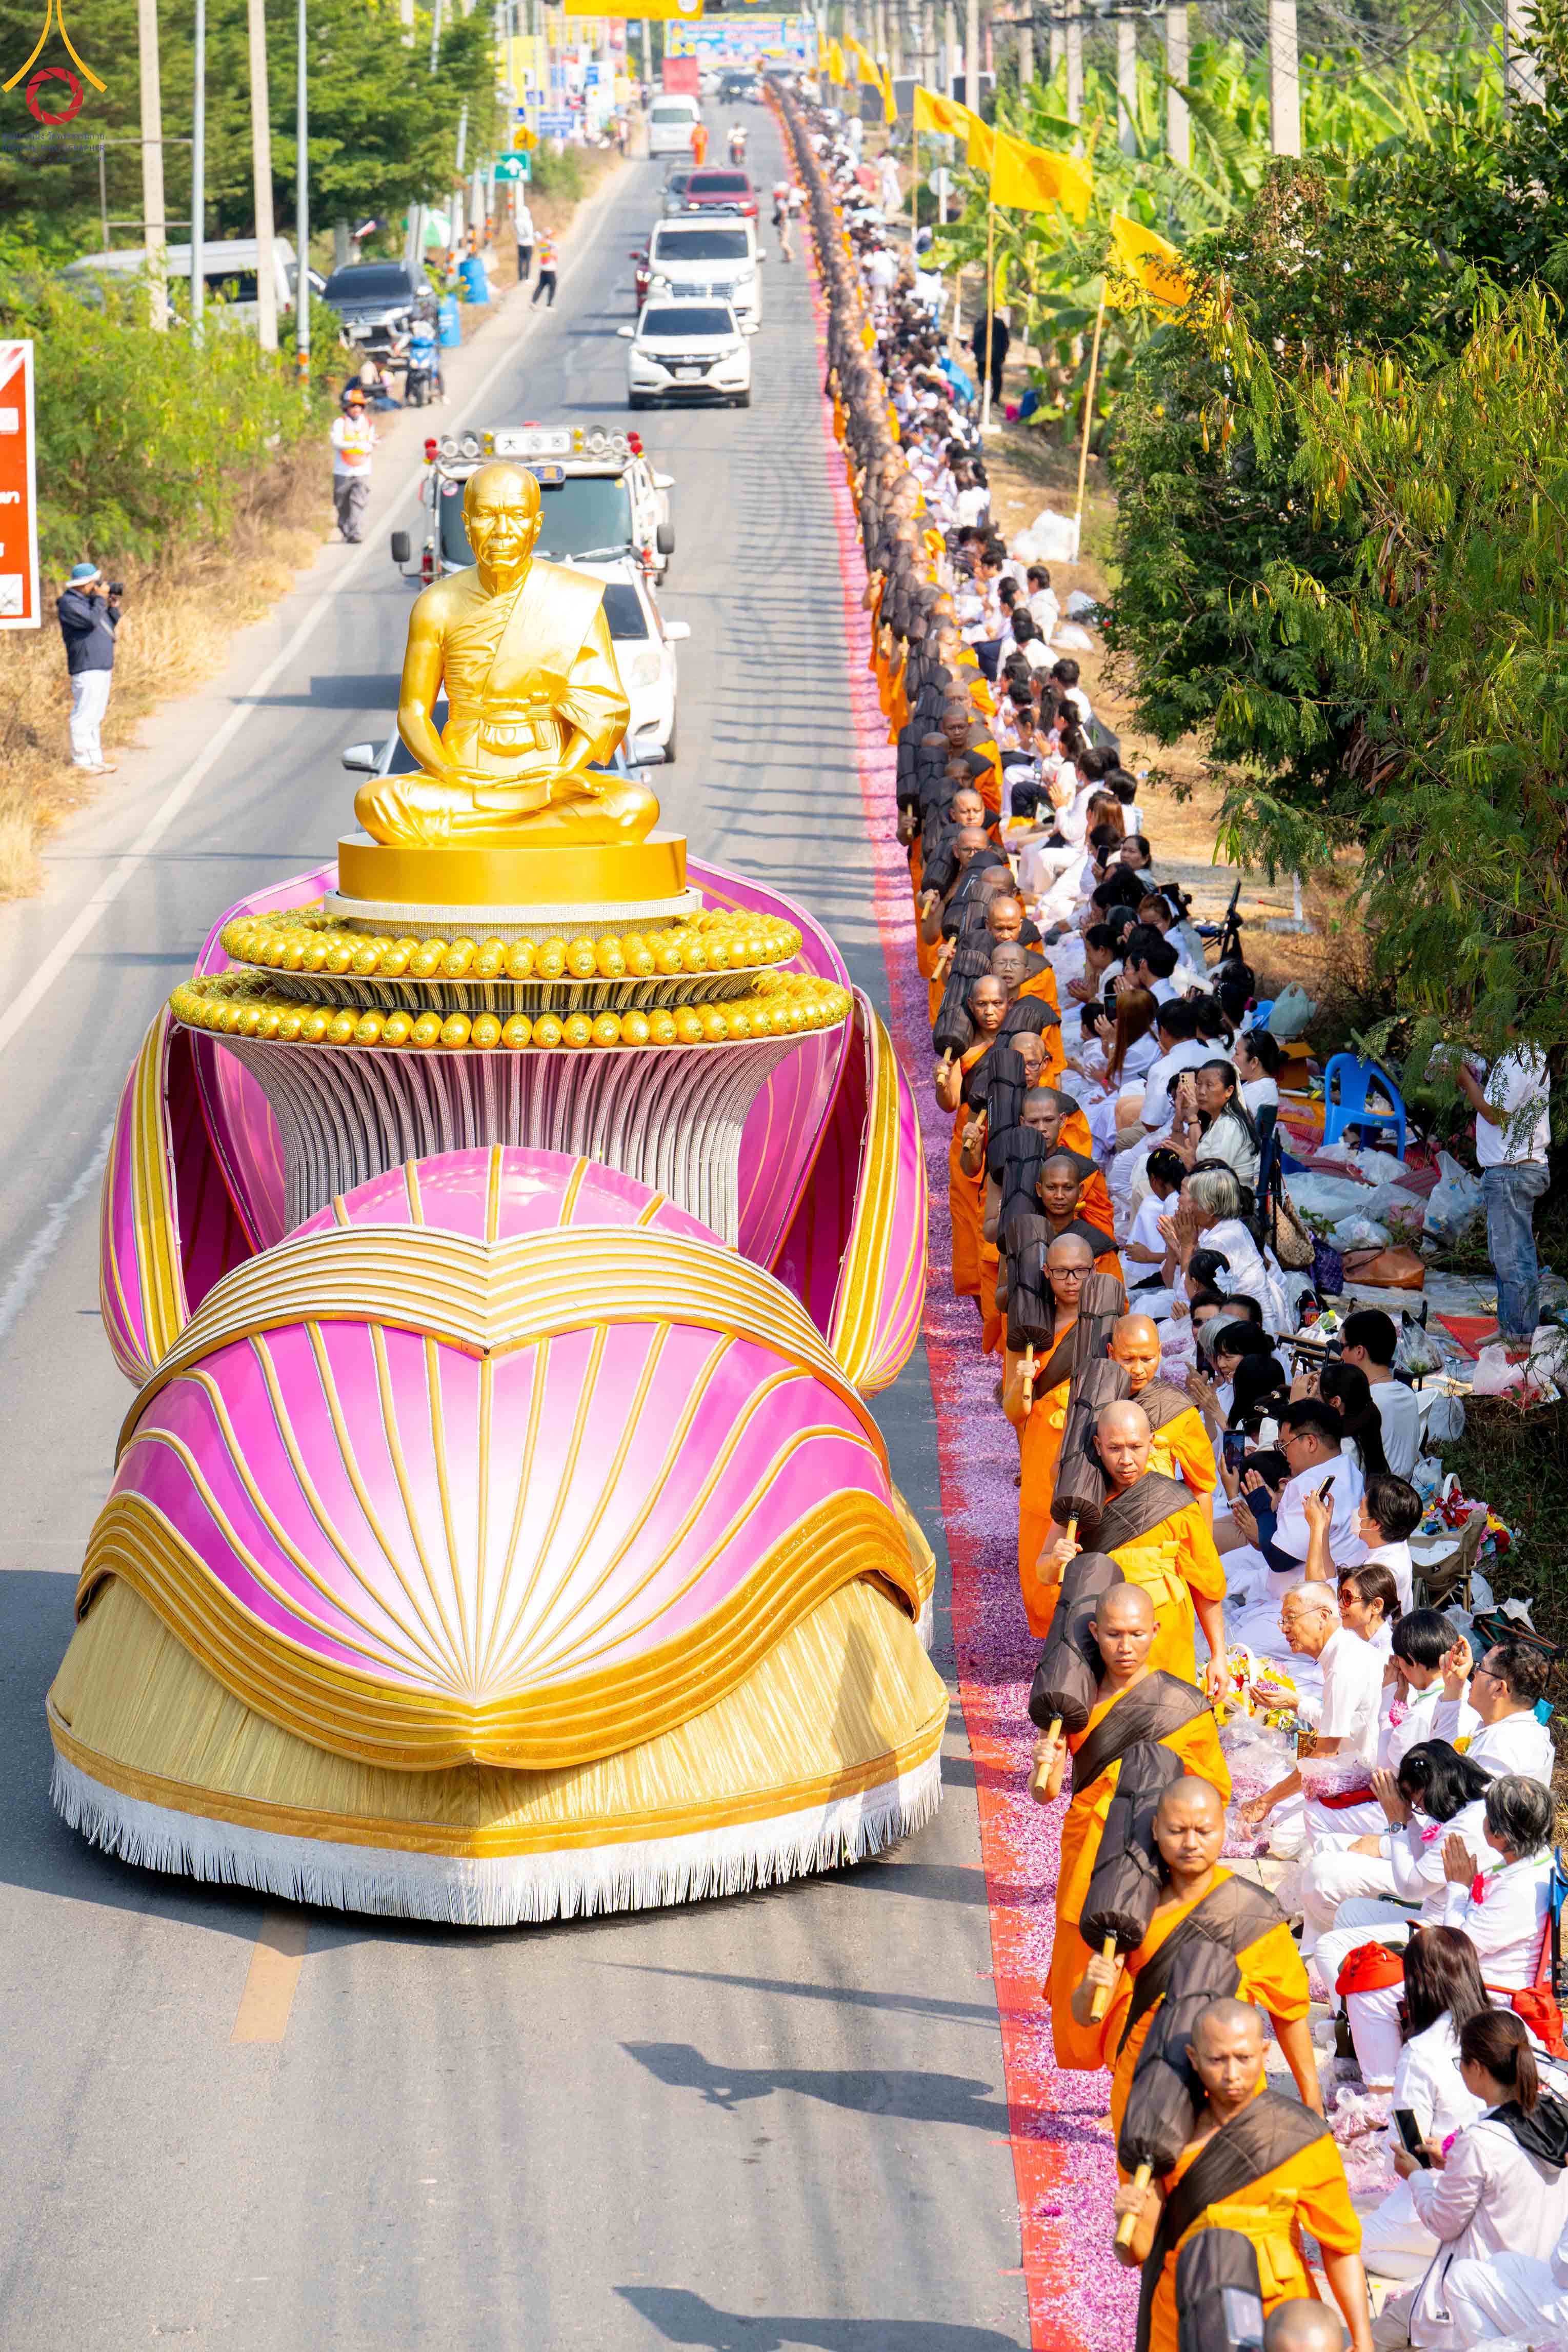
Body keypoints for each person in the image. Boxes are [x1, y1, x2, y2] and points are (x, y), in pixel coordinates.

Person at [1035, 1581, 1231, 2069]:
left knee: (1144, 1975)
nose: (1126, 1647)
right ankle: (1102, 2062)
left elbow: (1214, 1796)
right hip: (1088, 1853)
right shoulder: (1074, 1701)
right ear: (1095, 1632)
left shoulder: (1181, 1707)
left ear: (1155, 1632)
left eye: (1137, 1634)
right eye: (1115, 1634)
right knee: (1087, 1966)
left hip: (1153, 1854)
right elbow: (1046, 1791)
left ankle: (1126, 2087)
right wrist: (1048, 1762)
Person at [1112, 1998, 1371, 2352]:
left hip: (1279, 2317)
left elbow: (1340, 2244)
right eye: (1217, 2059)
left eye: (1244, 2057)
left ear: (1264, 2051)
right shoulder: (1168, 2136)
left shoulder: (1300, 2135)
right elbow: (1135, 2251)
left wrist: (1362, 2337)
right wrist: (1128, 2215)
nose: (1231, 2073)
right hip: (1187, 2312)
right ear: (1194, 2057)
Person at [1075, 1776, 1320, 2133]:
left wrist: (1311, 2099)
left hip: (1228, 2103)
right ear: (1156, 1829)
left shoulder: (1252, 1913)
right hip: (1141, 2095)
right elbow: (1087, 2014)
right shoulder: (1133, 1908)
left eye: (1203, 1831)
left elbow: (1290, 2012)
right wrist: (1090, 1987)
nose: (1191, 1843)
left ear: (1223, 1830)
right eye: (1178, 1830)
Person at [1388, 2008, 1568, 2350]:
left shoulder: (1482, 2140)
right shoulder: (1554, 2118)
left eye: (1462, 2063)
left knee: (1381, 2335)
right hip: (1537, 2272)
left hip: (1494, 2286)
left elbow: (1443, 2222)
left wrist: (1416, 2176)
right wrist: (1453, 2160)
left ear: (1478, 2068)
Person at [1039, 1400, 1229, 1690]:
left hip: (1167, 1638)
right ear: (1098, 1445)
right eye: (1115, 1449)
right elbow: (1043, 1572)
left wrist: (1219, 1656)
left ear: (1151, 1443)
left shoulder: (1176, 1504)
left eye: (1136, 1447)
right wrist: (1055, 1560)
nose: (1126, 1459)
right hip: (1104, 1637)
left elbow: (1207, 1587)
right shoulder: (1080, 1503)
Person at [1358, 1926, 1489, 2287]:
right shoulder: (1514, 2027)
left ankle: (1448, 2268)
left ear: (1419, 1983)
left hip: (1445, 2201)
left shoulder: (1422, 2051)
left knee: (1348, 2245)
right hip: (1508, 2200)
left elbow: (1407, 2147)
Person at [1005, 1231, 1093, 1631]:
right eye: (1061, 1271)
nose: (1071, 1280)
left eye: (1080, 1271)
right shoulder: (1030, 1329)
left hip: (1089, 1455)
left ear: (1094, 1272)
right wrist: (1022, 1381)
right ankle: (1050, 1637)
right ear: (1046, 1272)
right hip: (1042, 1459)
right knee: (1039, 1560)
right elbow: (1016, 1412)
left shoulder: (1107, 1328)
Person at [1454, 1042, 1552, 1349]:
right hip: (1511, 1169)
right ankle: (1510, 1328)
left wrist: (1467, 1081)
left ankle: (1521, 1335)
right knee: (1506, 1254)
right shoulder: (1521, 1053)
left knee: (1514, 1257)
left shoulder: (1522, 1055)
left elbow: (1496, 1114)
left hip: (1514, 1170)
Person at [1107, 1312, 1218, 1519]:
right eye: (1128, 1359)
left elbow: (1202, 1487)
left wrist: (1204, 1548)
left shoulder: (1177, 1409)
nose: (1138, 1370)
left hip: (1160, 1527)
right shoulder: (1095, 1401)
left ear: (1159, 1352)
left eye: (1147, 1359)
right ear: (1111, 1353)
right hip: (1103, 1528)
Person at [1432, 1635, 1557, 1783]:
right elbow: (1447, 1760)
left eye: (1481, 1668)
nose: (1474, 1673)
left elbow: (1446, 1787)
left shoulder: (1500, 1753)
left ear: (1499, 1688)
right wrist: (1454, 1685)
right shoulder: (1513, 1730)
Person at [1339, 1310, 1423, 1480]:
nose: (1341, 1355)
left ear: (1359, 1351)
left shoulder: (1363, 1402)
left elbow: (1343, 1468)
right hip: (1402, 1496)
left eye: (1343, 1347)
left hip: (1369, 1501)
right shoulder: (1409, 1395)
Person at [56, 561, 121, 774]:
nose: (97, 587)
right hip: (86, 665)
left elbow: (106, 626)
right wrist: (100, 600)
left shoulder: (91, 602)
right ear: (84, 584)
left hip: (101, 664)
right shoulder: (69, 603)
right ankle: (82, 761)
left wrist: (111, 608)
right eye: (94, 583)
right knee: (84, 714)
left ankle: (96, 758)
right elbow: (90, 622)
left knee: (96, 714)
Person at [330, 387, 376, 545]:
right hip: (342, 471)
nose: (355, 409)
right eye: (352, 406)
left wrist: (368, 445)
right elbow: (337, 442)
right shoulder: (339, 423)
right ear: (346, 407)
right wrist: (356, 444)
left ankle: (355, 533)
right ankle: (345, 528)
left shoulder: (368, 424)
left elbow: (371, 444)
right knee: (341, 503)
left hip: (362, 471)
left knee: (358, 502)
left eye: (358, 406)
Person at [970, 307, 1010, 406]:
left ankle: (991, 397)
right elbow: (1006, 342)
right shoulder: (997, 324)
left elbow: (975, 341)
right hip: (993, 357)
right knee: (995, 379)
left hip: (987, 357)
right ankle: (993, 399)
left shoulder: (981, 323)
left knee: (987, 377)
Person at [531, 233, 558, 307]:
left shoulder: (544, 244)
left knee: (541, 286)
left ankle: (534, 302)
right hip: (550, 270)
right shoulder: (550, 245)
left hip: (544, 269)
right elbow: (551, 254)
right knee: (552, 286)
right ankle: (549, 304)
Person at [515, 195, 535, 283]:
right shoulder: (528, 221)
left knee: (520, 261)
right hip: (528, 244)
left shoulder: (517, 221)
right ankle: (527, 277)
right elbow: (529, 233)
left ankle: (520, 277)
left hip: (520, 243)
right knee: (528, 261)